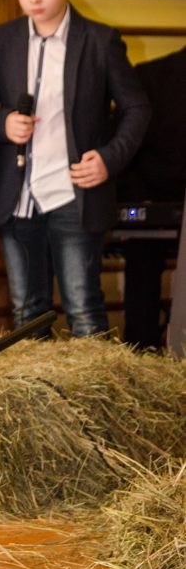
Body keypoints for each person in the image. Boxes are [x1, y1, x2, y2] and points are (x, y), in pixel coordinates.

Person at [0, 0, 150, 336]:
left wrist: (109, 158)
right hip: (18, 198)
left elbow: (138, 108)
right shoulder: (3, 40)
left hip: (75, 194)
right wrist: (3, 124)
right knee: (26, 313)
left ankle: (94, 382)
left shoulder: (100, 41)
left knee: (83, 308)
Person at [116, 46, 186, 348]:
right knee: (142, 259)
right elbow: (125, 142)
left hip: (156, 196)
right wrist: (139, 201)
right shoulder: (150, 76)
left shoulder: (152, 75)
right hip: (154, 197)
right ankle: (140, 350)